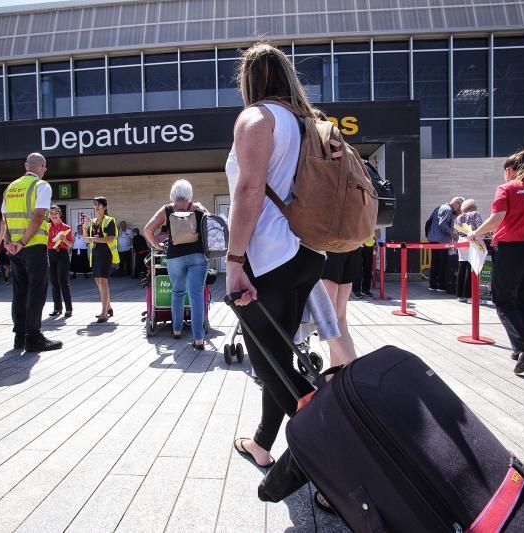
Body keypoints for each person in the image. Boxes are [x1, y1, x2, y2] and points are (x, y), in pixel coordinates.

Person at [225, 43, 326, 472]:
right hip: (309, 253)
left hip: (269, 259)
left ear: (249, 81)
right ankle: (263, 444)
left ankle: (338, 458)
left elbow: (248, 190)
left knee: (271, 369)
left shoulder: (256, 119)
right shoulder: (309, 123)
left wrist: (233, 262)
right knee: (278, 358)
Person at [467, 150, 524, 374]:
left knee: (503, 300)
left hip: (513, 250)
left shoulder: (507, 188)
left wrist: (474, 233)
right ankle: (521, 348)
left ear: (509, 170)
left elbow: (496, 220)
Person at [0, 152, 62, 352]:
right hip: (33, 246)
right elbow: (38, 216)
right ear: (42, 167)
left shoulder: (10, 188)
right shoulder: (41, 186)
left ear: (26, 166)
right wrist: (23, 241)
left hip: (15, 249)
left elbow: (4, 219)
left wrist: (8, 242)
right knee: (36, 291)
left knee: (19, 291)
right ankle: (33, 337)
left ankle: (19, 336)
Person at [144, 179, 209, 348]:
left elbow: (147, 230)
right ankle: (198, 338)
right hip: (198, 256)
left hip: (174, 257)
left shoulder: (166, 210)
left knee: (177, 292)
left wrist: (158, 246)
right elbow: (213, 226)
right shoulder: (199, 208)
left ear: (173, 194)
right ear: (190, 194)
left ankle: (177, 330)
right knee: (196, 296)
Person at [320, 250, 360, 365]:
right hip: (351, 246)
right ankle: (333, 375)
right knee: (339, 319)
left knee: (330, 322)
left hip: (328, 246)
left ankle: (356, 374)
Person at [84, 196, 119, 323]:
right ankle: (109, 307)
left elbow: (110, 238)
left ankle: (104, 312)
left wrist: (94, 239)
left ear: (104, 207)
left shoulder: (110, 220)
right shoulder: (93, 222)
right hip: (95, 254)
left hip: (106, 253)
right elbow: (87, 239)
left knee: (103, 282)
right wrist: (84, 227)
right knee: (98, 281)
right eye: (95, 204)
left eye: (99, 205)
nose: (96, 207)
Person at [427, 196, 464, 291]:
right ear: (456, 203)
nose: (458, 210)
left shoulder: (440, 207)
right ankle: (441, 285)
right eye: (459, 207)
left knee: (435, 262)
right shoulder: (448, 209)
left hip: (433, 238)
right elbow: (442, 224)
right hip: (442, 240)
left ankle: (433, 285)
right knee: (442, 263)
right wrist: (452, 234)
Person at [454, 199, 484, 303]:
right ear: (472, 207)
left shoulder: (458, 217)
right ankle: (470, 296)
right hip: (472, 242)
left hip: (461, 243)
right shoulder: (475, 214)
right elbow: (481, 227)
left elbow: (456, 231)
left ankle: (460, 295)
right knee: (472, 268)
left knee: (462, 267)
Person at [47, 205, 73, 318]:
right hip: (50, 254)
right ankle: (57, 308)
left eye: (56, 213)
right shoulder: (47, 227)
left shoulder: (66, 228)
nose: (54, 215)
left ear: (60, 214)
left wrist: (64, 239)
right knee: (53, 282)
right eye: (51, 213)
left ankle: (69, 308)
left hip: (62, 255)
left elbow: (71, 244)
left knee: (63, 282)